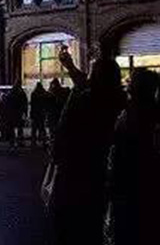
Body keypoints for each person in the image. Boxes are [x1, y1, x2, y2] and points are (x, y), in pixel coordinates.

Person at [50, 48, 125, 245]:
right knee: (92, 226)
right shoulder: (117, 100)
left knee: (69, 227)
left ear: (96, 78)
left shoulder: (85, 100)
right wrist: (70, 67)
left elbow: (63, 130)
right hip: (98, 173)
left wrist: (56, 154)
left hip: (74, 172)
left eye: (92, 73)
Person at [107, 69, 160, 245]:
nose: (127, 82)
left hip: (132, 182)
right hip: (132, 181)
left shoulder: (139, 112)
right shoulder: (139, 109)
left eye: (131, 80)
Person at [5, 82, 28, 147]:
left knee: (12, 128)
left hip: (12, 113)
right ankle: (20, 141)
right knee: (19, 128)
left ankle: (12, 141)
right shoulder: (21, 93)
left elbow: (7, 104)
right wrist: (25, 112)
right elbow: (24, 104)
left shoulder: (10, 93)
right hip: (19, 113)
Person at [30, 81, 50, 147]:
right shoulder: (44, 94)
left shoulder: (34, 93)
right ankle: (44, 141)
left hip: (35, 113)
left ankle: (33, 142)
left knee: (34, 128)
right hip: (41, 113)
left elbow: (32, 104)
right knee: (42, 128)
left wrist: (31, 113)